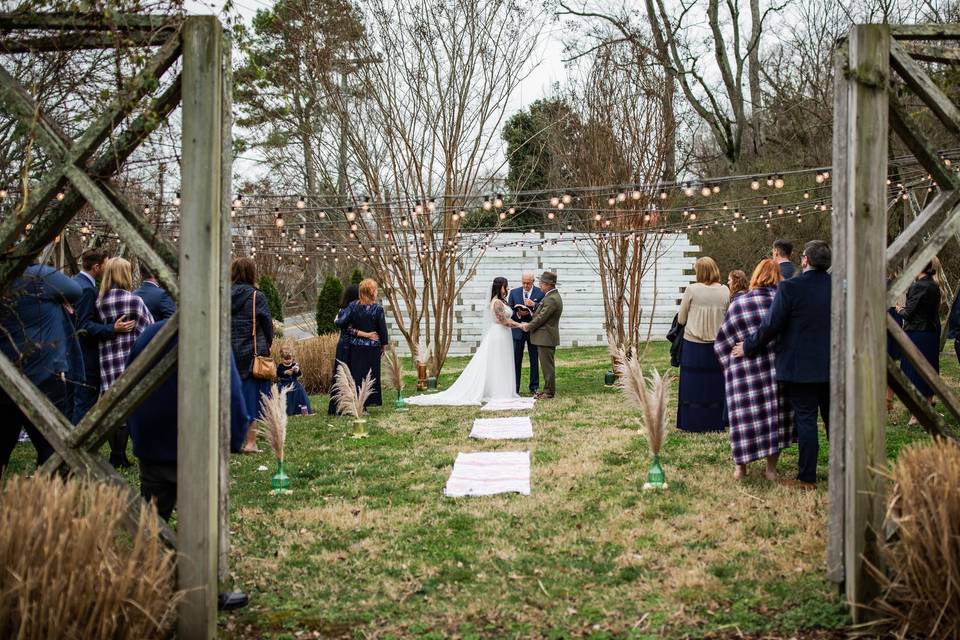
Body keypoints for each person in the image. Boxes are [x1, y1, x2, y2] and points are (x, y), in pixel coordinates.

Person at [125, 319, 251, 612]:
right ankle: (204, 590)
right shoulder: (211, 333)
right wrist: (235, 438)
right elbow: (231, 391)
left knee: (152, 521)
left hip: (151, 442)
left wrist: (136, 433)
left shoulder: (148, 335)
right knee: (201, 523)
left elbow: (129, 382)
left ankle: (139, 585)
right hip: (193, 443)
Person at [733, 240, 832, 490]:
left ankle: (807, 477)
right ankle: (843, 470)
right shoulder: (839, 288)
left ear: (805, 260)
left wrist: (747, 346)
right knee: (835, 421)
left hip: (800, 367)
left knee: (807, 420)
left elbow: (771, 325)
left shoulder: (791, 287)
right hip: (834, 364)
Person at [714, 259, 794, 481]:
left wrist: (728, 365)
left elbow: (722, 342)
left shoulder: (740, 303)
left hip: (743, 371)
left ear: (756, 275)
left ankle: (741, 468)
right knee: (773, 417)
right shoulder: (784, 303)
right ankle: (771, 470)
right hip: (775, 369)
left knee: (743, 418)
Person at [0, 263, 82, 475]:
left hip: (5, 374)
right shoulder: (38, 275)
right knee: (52, 446)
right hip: (44, 373)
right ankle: (49, 496)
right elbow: (75, 291)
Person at [406, 277, 520, 405]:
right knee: (498, 361)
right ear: (500, 287)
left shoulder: (499, 301)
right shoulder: (497, 303)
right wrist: (521, 325)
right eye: (506, 286)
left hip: (502, 334)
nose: (507, 288)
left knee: (500, 360)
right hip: (499, 334)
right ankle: (499, 391)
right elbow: (503, 321)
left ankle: (500, 389)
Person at [98, 257, 154, 468]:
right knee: (132, 407)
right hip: (129, 359)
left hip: (108, 358)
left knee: (114, 408)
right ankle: (126, 455)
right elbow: (148, 328)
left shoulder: (100, 301)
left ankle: (116, 454)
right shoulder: (134, 301)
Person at [72, 248, 136, 424]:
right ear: (97, 267)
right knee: (84, 404)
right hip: (86, 356)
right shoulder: (87, 290)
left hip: (76, 353)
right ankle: (76, 445)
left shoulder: (77, 283)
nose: (108, 269)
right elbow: (83, 325)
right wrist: (112, 329)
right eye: (106, 265)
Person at [676, 257, 730, 432]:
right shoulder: (725, 291)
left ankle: (692, 421)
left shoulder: (691, 290)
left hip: (693, 344)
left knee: (692, 385)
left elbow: (682, 318)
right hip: (717, 344)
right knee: (715, 384)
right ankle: (715, 421)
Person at [230, 257, 273, 453]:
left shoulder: (223, 296)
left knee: (231, 397)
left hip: (229, 353)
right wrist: (268, 344)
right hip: (253, 353)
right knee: (252, 398)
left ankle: (232, 440)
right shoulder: (257, 296)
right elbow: (267, 326)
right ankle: (250, 442)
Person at [897, 259, 944, 422]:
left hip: (917, 332)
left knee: (914, 371)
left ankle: (917, 414)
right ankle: (929, 405)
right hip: (931, 331)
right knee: (929, 369)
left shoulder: (918, 286)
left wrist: (900, 309)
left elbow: (908, 314)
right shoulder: (934, 284)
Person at [335, 278, 388, 408]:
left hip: (355, 346)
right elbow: (382, 330)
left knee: (357, 375)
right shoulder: (377, 310)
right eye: (375, 290)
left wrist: (340, 319)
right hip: (372, 347)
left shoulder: (353, 306)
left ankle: (359, 403)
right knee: (371, 375)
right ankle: (369, 400)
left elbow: (342, 323)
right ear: (371, 292)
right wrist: (383, 345)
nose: (376, 292)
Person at [326, 284, 378, 415]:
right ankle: (347, 405)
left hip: (345, 345)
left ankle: (350, 405)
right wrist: (367, 335)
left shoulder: (346, 310)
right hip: (348, 346)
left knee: (349, 375)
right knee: (350, 375)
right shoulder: (350, 310)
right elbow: (348, 329)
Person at [522, 271, 563, 400]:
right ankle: (547, 390)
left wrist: (527, 326)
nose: (540, 286)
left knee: (547, 366)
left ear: (548, 285)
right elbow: (541, 309)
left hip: (546, 338)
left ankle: (549, 392)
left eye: (541, 283)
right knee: (546, 366)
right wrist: (534, 305)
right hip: (545, 337)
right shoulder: (551, 296)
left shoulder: (551, 298)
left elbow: (541, 318)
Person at [507, 271, 544, 395]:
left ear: (533, 282)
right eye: (523, 283)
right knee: (516, 359)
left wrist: (533, 307)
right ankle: (515, 386)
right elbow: (509, 310)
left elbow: (544, 309)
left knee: (534, 358)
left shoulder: (540, 292)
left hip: (533, 330)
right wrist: (518, 313)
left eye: (528, 283)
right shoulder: (514, 292)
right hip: (518, 330)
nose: (525, 285)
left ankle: (534, 386)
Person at [278, 346, 312, 416]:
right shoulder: (280, 366)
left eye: (289, 359)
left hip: (294, 383)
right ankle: (286, 412)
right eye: (285, 359)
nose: (288, 361)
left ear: (292, 358)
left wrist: (297, 370)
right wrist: (285, 372)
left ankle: (303, 411)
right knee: (285, 398)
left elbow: (299, 374)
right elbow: (278, 373)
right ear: (281, 358)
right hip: (284, 384)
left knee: (301, 397)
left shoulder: (294, 365)